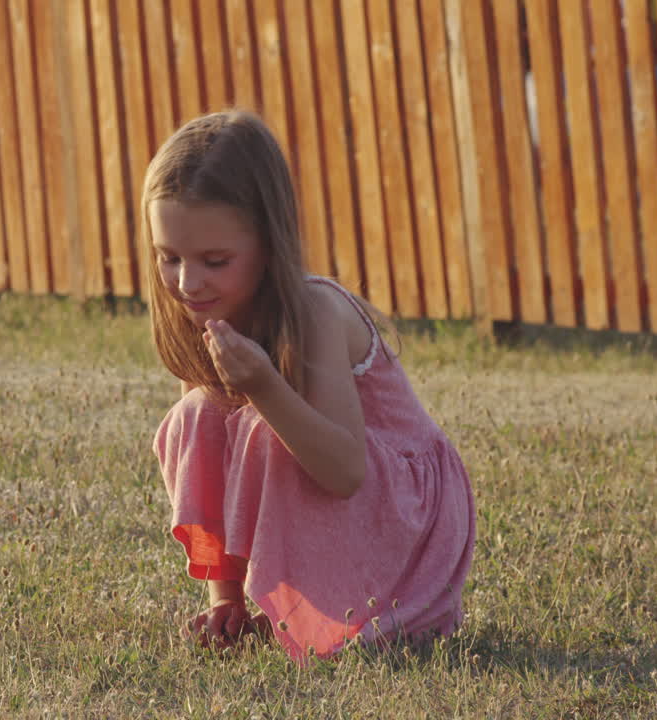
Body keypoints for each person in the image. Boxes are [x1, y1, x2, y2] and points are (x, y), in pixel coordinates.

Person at [145, 110, 475, 661]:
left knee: (259, 424)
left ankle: (372, 615)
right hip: (335, 499)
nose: (187, 282)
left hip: (403, 512)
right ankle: (245, 602)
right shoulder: (202, 307)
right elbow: (207, 457)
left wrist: (265, 388)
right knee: (199, 412)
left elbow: (345, 471)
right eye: (168, 258)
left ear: (271, 244)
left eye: (215, 260)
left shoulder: (316, 311)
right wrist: (224, 594)